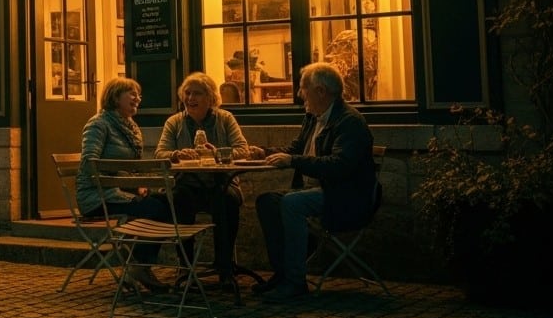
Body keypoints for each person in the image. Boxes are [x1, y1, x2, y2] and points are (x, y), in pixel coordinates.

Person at [253, 61, 378, 302]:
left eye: (303, 88)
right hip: (319, 191)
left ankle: (295, 282)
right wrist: (264, 152)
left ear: (320, 91)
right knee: (267, 201)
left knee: (292, 203)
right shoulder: (313, 117)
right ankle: (282, 273)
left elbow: (339, 166)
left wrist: (293, 160)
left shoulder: (349, 122)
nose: (300, 95)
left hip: (345, 196)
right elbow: (296, 149)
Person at [155, 71, 262, 284]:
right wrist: (177, 154)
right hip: (189, 184)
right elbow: (159, 154)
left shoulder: (225, 119)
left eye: (197, 93)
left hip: (221, 183)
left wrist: (217, 153)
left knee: (227, 200)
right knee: (179, 199)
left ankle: (224, 266)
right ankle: (186, 266)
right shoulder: (174, 122)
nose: (190, 98)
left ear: (210, 97)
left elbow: (243, 149)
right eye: (187, 93)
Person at [76, 75, 173, 293]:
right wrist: (126, 179)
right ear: (115, 97)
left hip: (121, 191)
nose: (138, 98)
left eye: (139, 94)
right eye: (132, 93)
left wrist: (137, 183)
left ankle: (138, 265)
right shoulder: (98, 124)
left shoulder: (130, 127)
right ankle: (139, 266)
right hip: (98, 196)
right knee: (156, 209)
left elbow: (132, 168)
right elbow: (90, 163)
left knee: (167, 202)